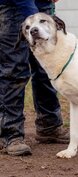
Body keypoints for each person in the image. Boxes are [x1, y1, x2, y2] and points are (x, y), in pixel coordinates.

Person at [0, 0, 69, 156]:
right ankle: (10, 134)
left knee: (47, 67)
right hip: (13, 5)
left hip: (42, 3)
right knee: (14, 69)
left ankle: (49, 125)